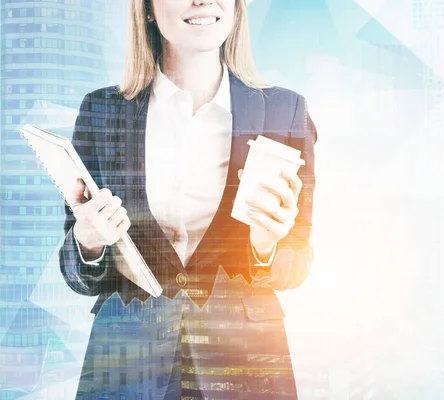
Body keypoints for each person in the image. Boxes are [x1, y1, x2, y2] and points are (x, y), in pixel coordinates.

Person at [58, 0, 317, 399]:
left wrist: (265, 248)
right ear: (146, 9)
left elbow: (297, 263)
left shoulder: (284, 110)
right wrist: (88, 240)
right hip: (126, 366)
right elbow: (76, 272)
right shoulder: (102, 110)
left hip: (245, 365)